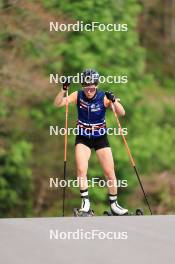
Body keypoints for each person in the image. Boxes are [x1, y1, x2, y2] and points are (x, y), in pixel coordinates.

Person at [54, 69, 128, 215]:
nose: (89, 90)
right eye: (86, 87)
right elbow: (58, 103)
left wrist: (113, 100)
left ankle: (114, 205)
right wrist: (63, 90)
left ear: (96, 85)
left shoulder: (103, 97)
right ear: (82, 86)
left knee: (109, 172)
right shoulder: (78, 95)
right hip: (83, 138)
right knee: (81, 170)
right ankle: (85, 203)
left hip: (100, 137)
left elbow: (122, 112)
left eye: (92, 87)